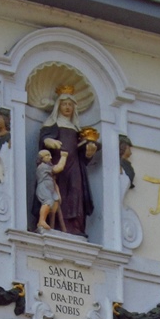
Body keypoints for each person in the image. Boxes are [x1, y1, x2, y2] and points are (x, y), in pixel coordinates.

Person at [37, 86, 98, 237]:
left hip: (75, 165)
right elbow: (42, 141)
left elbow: (83, 156)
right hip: (57, 163)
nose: (67, 107)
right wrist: (48, 140)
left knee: (76, 191)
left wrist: (89, 151)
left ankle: (75, 226)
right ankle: (56, 224)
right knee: (59, 191)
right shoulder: (52, 124)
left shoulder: (76, 128)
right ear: (58, 106)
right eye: (64, 104)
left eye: (70, 105)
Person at [35, 148, 68, 231]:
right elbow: (58, 168)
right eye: (47, 156)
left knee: (55, 204)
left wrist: (58, 194)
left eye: (50, 155)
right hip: (44, 188)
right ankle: (41, 221)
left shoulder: (48, 167)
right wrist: (63, 157)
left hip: (51, 189)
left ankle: (51, 225)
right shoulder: (43, 167)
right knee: (48, 201)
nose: (50, 158)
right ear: (41, 158)